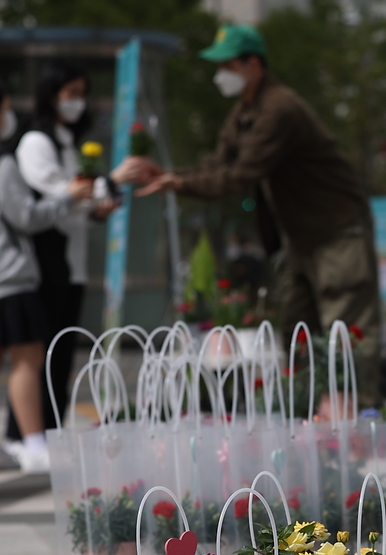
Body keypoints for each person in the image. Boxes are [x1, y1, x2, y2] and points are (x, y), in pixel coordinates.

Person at [130, 24, 381, 408]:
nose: (220, 75)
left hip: (336, 233)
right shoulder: (244, 112)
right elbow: (218, 164)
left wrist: (177, 184)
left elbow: (241, 174)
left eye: (227, 65)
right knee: (297, 332)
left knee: (348, 334)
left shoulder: (280, 108)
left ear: (254, 64)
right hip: (301, 239)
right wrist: (173, 177)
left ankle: (361, 428)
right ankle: (311, 423)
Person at [0, 73, 93, 474]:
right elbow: (25, 215)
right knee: (27, 356)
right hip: (6, 270)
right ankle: (34, 443)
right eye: (5, 108)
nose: (9, 116)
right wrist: (66, 198)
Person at [4, 62, 134, 452]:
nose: (77, 102)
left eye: (81, 93)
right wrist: (109, 182)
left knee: (59, 354)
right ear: (50, 94)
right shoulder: (36, 142)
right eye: (70, 93)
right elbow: (60, 194)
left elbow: (75, 202)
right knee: (40, 353)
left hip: (69, 262)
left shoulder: (65, 142)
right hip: (46, 262)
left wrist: (97, 208)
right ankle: (24, 435)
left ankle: (49, 434)